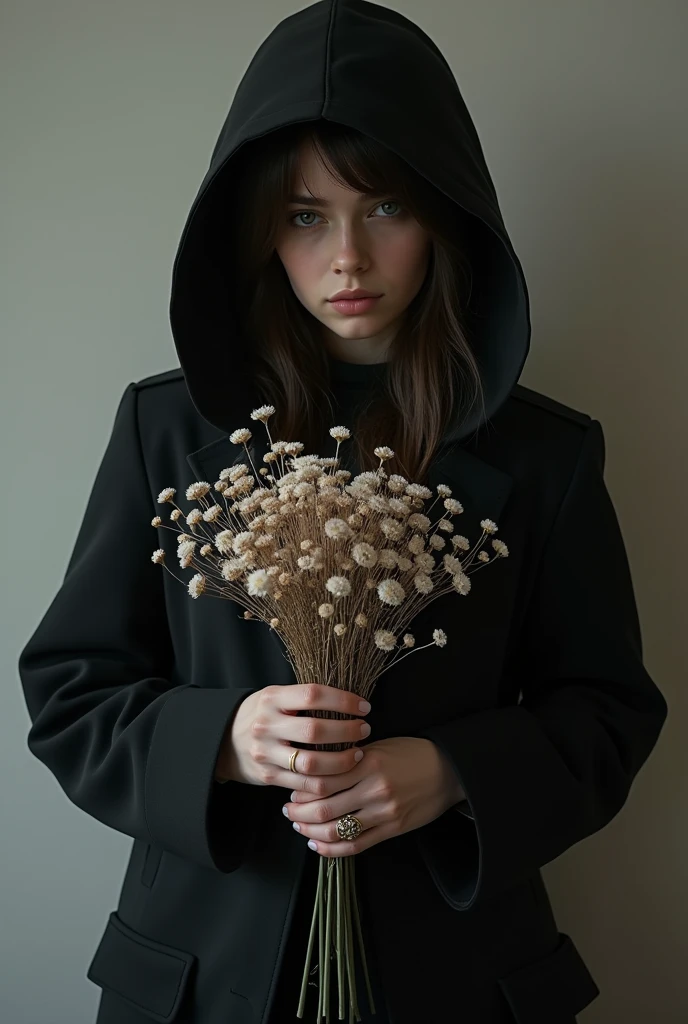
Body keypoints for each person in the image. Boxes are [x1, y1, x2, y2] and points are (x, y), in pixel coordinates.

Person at [17, 2, 668, 1022]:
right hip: (200, 974)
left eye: (386, 208)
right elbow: (70, 695)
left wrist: (452, 772)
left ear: (445, 214)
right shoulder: (170, 433)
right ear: (257, 229)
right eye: (304, 215)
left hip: (453, 975)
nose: (348, 261)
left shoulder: (545, 457)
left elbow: (608, 712)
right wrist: (224, 741)